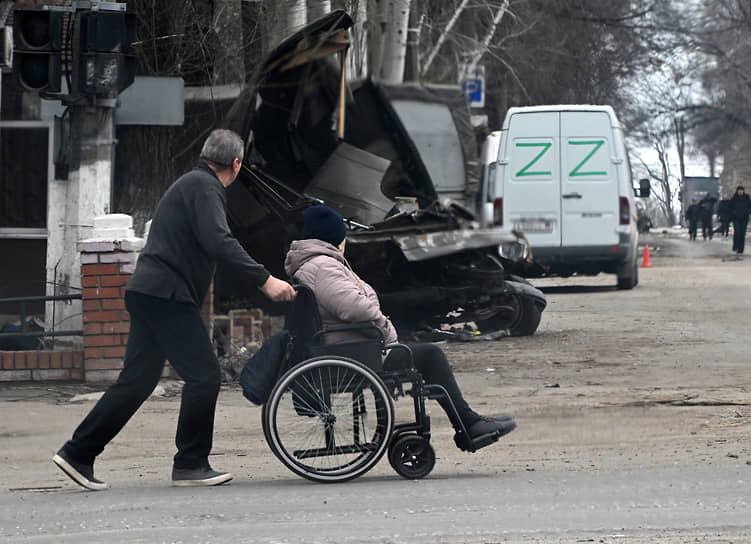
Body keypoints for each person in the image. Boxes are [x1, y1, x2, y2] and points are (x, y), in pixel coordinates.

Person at [53, 129, 296, 491]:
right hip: (167, 296)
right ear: (236, 164)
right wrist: (265, 280)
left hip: (151, 292)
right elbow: (218, 240)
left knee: (137, 382)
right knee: (205, 376)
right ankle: (191, 463)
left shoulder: (193, 184)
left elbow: (207, 242)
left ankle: (77, 453)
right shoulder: (205, 187)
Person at [284, 206, 516, 448]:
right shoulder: (323, 266)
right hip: (353, 352)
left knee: (424, 353)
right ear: (333, 237)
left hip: (349, 346)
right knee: (431, 355)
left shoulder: (317, 265)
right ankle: (469, 424)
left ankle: (469, 424)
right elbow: (355, 309)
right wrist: (385, 329)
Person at [728, 185, 751, 255]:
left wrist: (747, 212)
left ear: (743, 191)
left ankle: (740, 249)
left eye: (741, 190)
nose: (740, 191)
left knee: (742, 234)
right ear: (737, 191)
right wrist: (733, 213)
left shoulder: (747, 198)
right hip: (736, 218)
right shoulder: (734, 198)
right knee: (737, 232)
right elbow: (729, 208)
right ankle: (735, 245)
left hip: (744, 218)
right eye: (739, 190)